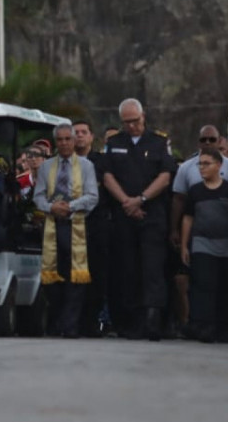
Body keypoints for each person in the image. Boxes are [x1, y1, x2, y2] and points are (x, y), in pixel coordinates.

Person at [101, 98, 176, 341]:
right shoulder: (114, 143)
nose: (132, 126)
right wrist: (127, 201)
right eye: (127, 122)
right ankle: (130, 323)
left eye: (135, 121)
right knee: (128, 269)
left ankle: (153, 322)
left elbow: (165, 177)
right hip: (125, 216)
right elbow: (108, 176)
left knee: (153, 269)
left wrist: (140, 200)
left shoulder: (159, 141)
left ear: (143, 116)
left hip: (152, 215)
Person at [170, 125, 228, 335]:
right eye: (203, 140)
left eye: (211, 140)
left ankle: (226, 328)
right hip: (202, 241)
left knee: (227, 287)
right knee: (203, 285)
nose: (207, 144)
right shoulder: (191, 181)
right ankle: (203, 327)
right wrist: (182, 240)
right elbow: (185, 213)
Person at [32, 124, 99, 338]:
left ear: (73, 140)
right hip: (52, 227)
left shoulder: (86, 166)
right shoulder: (46, 167)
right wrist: (51, 207)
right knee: (53, 279)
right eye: (59, 139)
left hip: (77, 226)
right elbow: (38, 196)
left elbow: (92, 196)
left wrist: (69, 206)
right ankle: (56, 323)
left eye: (67, 139)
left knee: (76, 280)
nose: (64, 143)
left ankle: (71, 326)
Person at [73, 119, 111, 336]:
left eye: (83, 132)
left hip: (96, 225)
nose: (79, 135)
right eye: (75, 132)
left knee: (96, 275)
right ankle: (71, 322)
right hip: (72, 224)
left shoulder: (102, 162)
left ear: (91, 137)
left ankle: (91, 322)